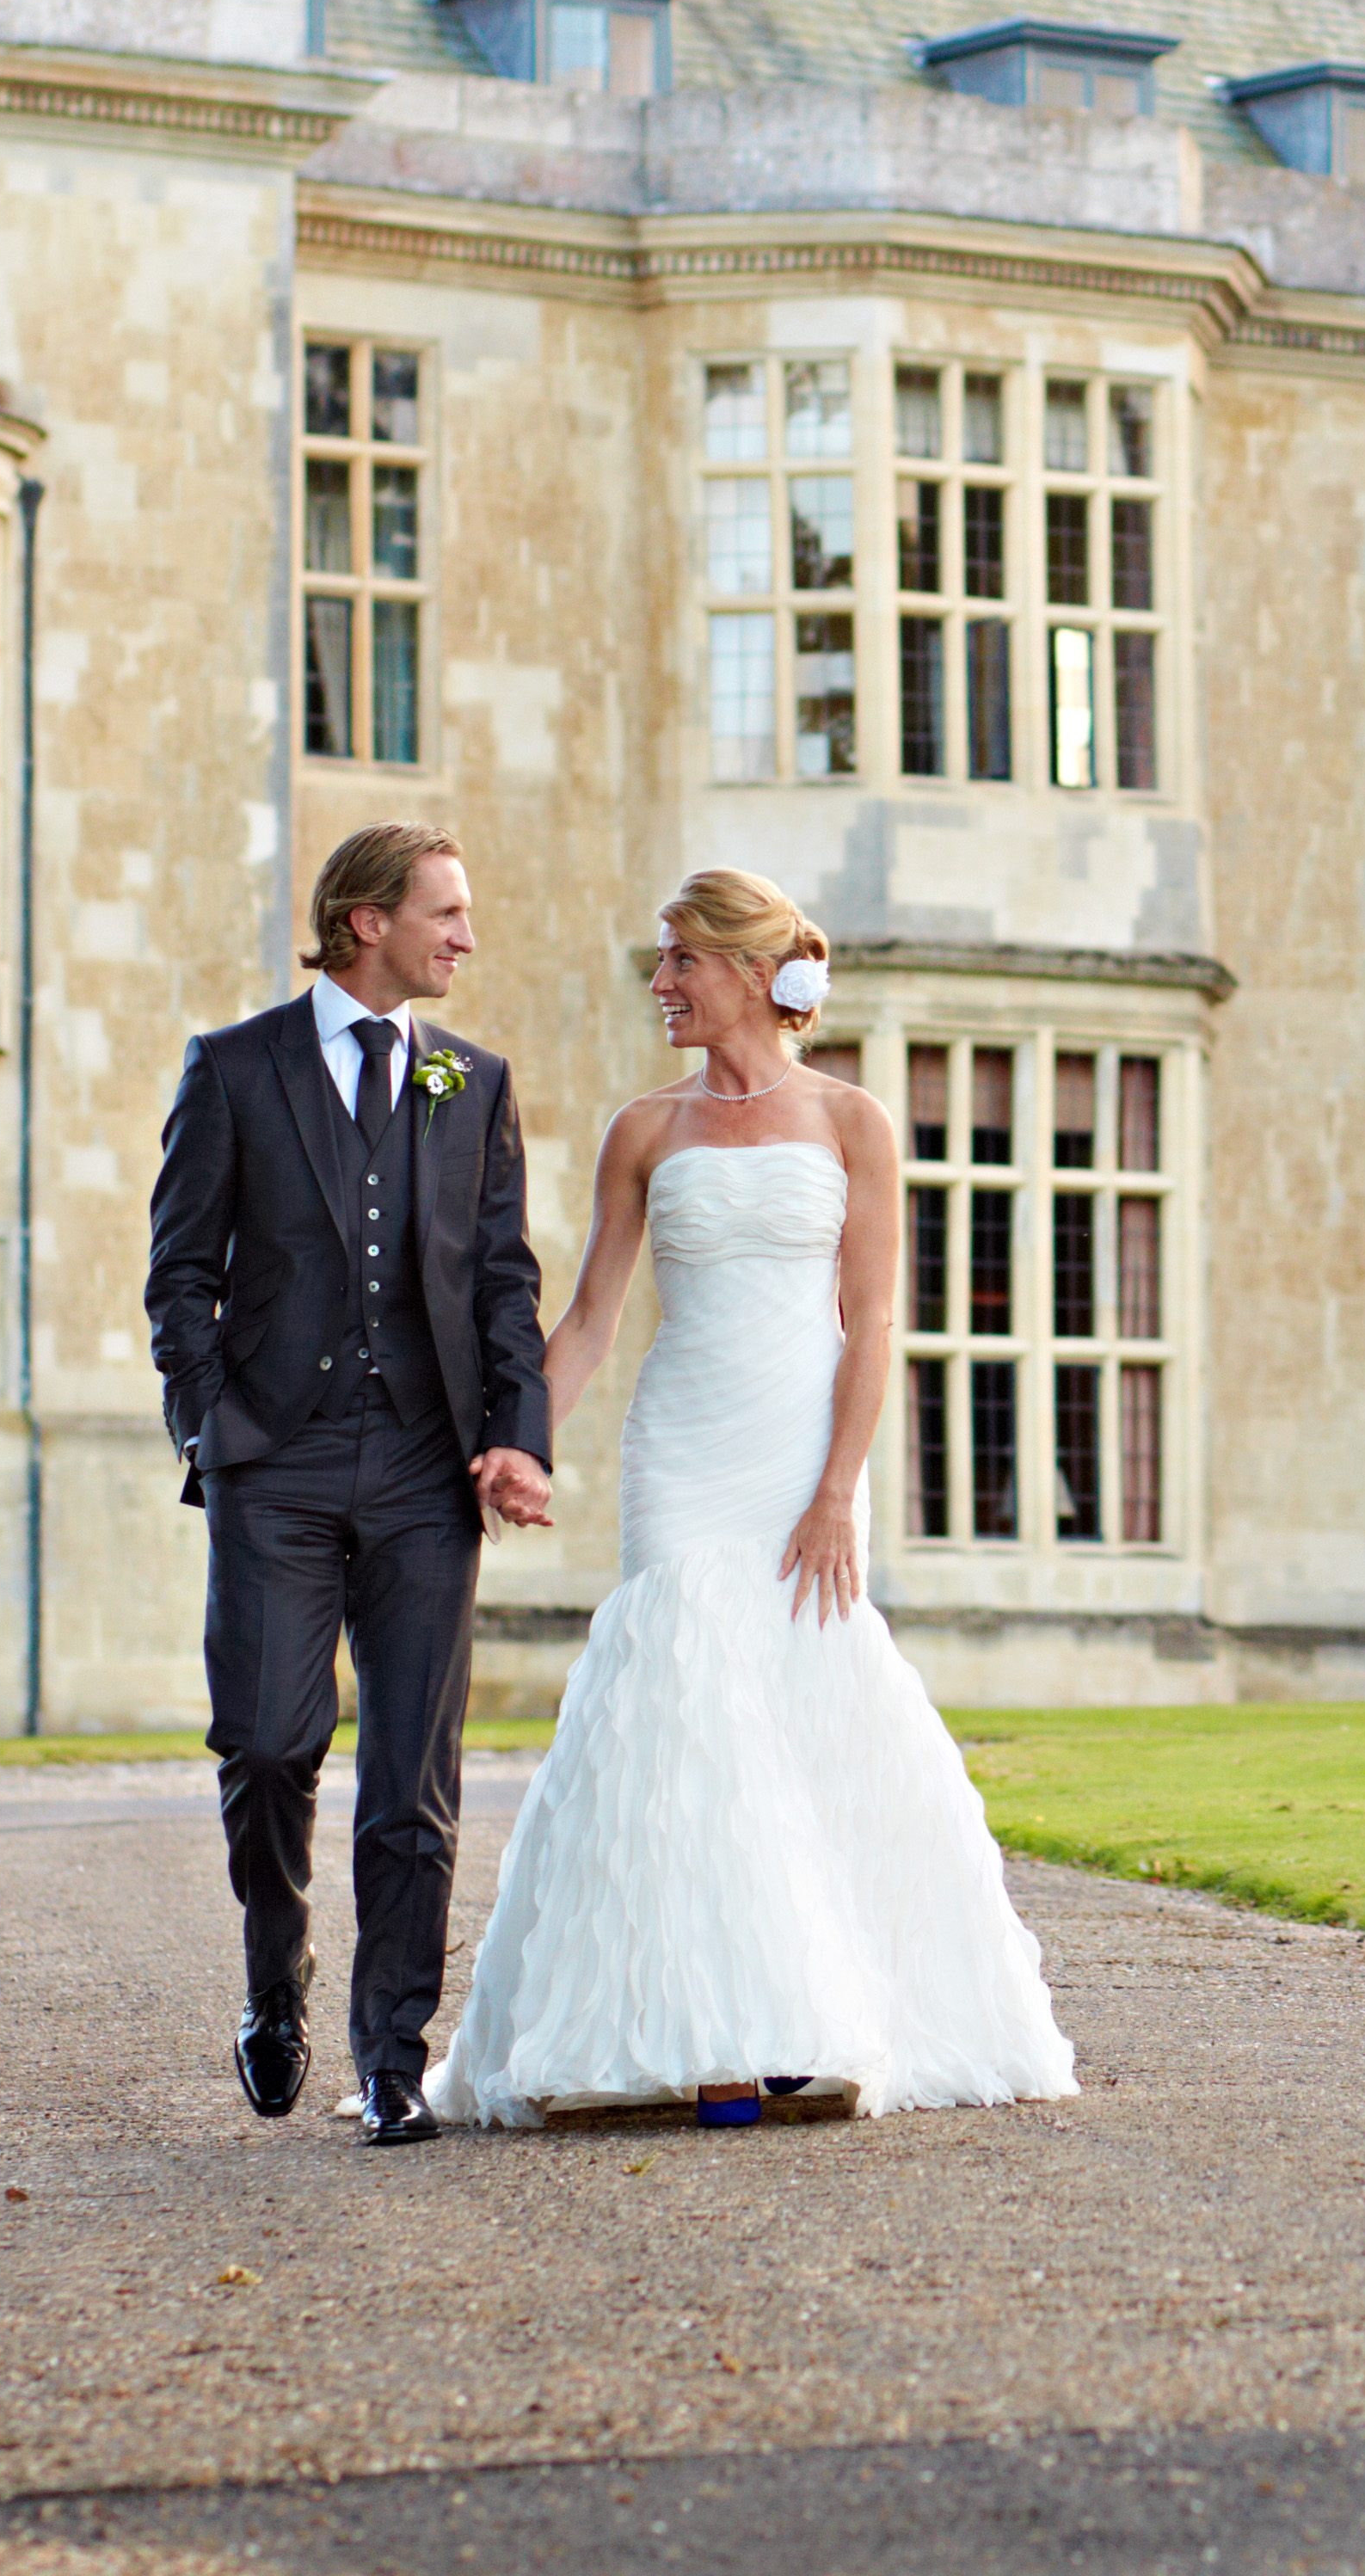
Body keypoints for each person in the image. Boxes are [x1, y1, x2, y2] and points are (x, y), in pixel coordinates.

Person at [427, 868, 1077, 2127]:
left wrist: (839, 1489)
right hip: (684, 1448)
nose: (660, 984)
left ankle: (809, 2022)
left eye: (678, 960)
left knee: (804, 1698)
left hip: (801, 1449)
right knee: (682, 1700)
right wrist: (523, 1446)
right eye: (659, 963)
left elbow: (874, 1318)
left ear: (740, 968)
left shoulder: (852, 1122)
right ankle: (699, 2034)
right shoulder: (645, 1130)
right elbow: (595, 1316)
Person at [144, 823, 553, 2150]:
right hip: (280, 1466)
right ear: (365, 919)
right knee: (266, 1747)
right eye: (446, 911)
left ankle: (392, 2058)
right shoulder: (235, 1069)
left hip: (427, 1474)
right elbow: (178, 1276)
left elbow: (504, 1284)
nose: (466, 937)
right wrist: (213, 1428)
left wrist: (518, 1434)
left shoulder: (473, 1085)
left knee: (413, 1786)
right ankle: (278, 1977)